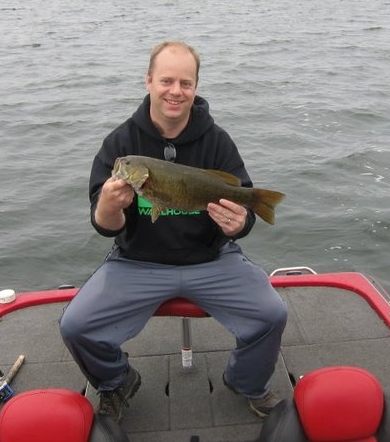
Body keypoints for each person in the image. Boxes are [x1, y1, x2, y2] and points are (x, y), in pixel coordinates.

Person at [59, 41, 288, 423]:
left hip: (212, 258)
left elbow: (242, 207)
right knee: (76, 325)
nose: (175, 91)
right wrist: (109, 205)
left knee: (272, 314)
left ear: (196, 87)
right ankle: (117, 380)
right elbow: (105, 226)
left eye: (186, 82)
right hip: (137, 262)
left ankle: (246, 382)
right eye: (166, 80)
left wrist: (242, 222)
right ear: (148, 81)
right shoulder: (121, 145)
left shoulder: (217, 140)